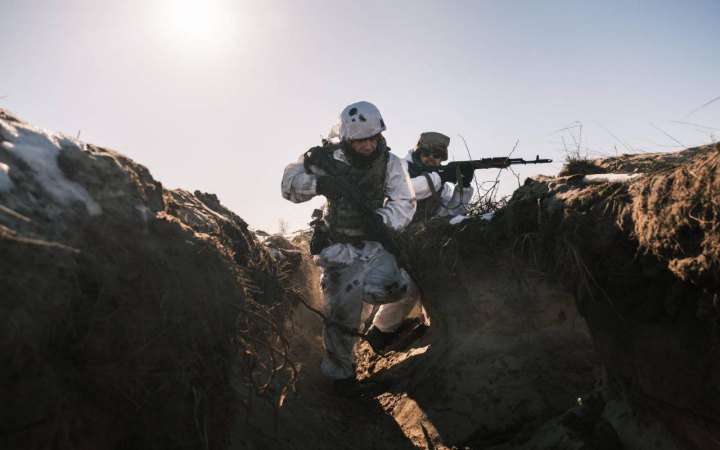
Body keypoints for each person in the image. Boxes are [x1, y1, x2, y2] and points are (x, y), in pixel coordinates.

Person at [281, 101, 417, 396]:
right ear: (346, 139)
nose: (368, 145)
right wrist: (320, 185)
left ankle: (372, 328)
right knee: (342, 312)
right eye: (360, 141)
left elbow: (405, 202)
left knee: (399, 286)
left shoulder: (390, 163)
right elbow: (288, 185)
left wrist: (383, 220)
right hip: (338, 247)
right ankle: (341, 377)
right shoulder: (328, 158)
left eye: (373, 138)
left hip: (373, 245)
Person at [404, 132, 475, 223]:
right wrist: (440, 177)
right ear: (419, 154)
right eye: (426, 154)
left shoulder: (443, 188)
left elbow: (449, 215)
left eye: (436, 155)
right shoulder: (401, 168)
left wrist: (464, 186)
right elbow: (403, 190)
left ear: (441, 159)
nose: (431, 158)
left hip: (418, 230)